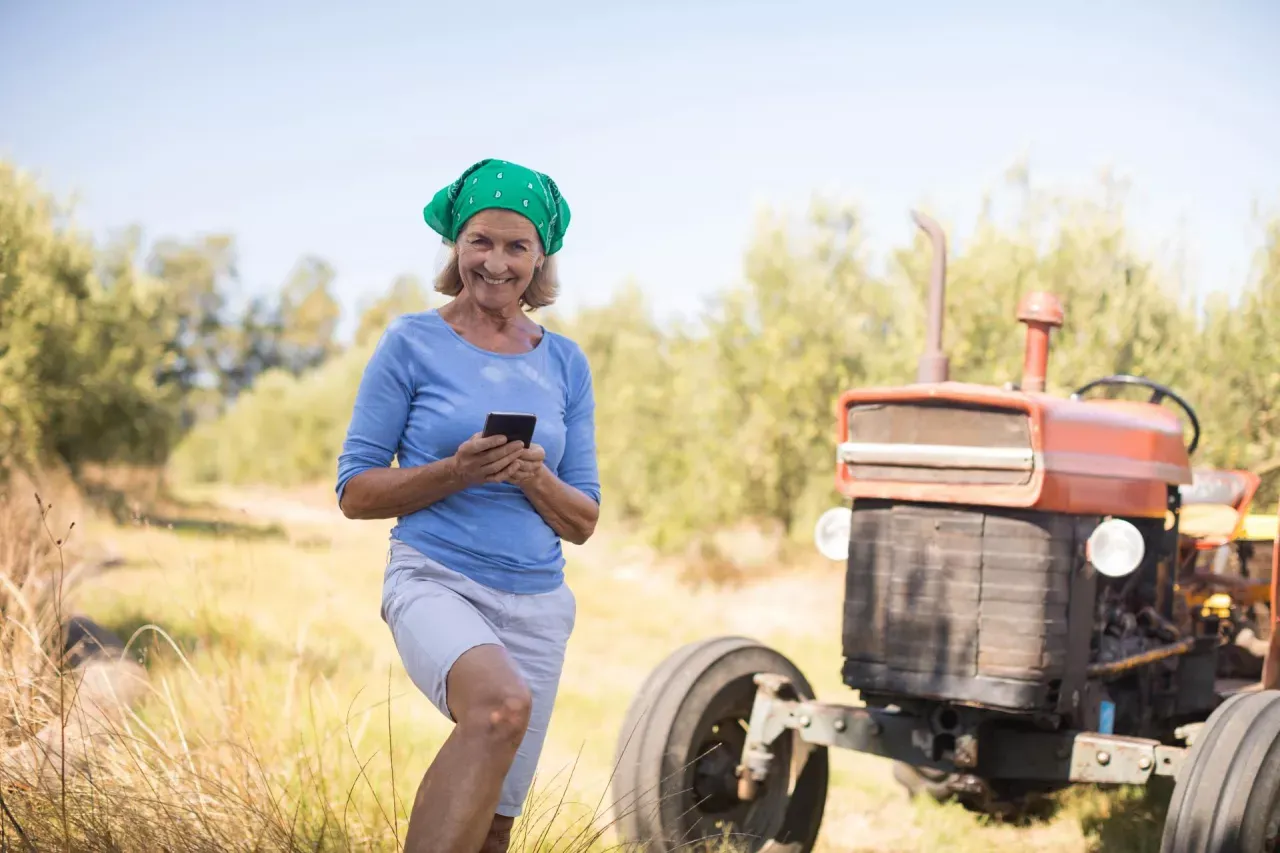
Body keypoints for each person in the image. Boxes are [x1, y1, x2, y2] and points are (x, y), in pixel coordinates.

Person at [334, 158, 601, 853]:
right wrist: (454, 471)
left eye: (517, 246)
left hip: (539, 605)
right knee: (499, 705)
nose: (496, 261)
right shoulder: (410, 343)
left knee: (493, 830)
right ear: (456, 246)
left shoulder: (566, 362)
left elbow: (585, 519)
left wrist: (533, 477)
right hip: (436, 577)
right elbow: (355, 490)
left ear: (540, 258)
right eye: (481, 240)